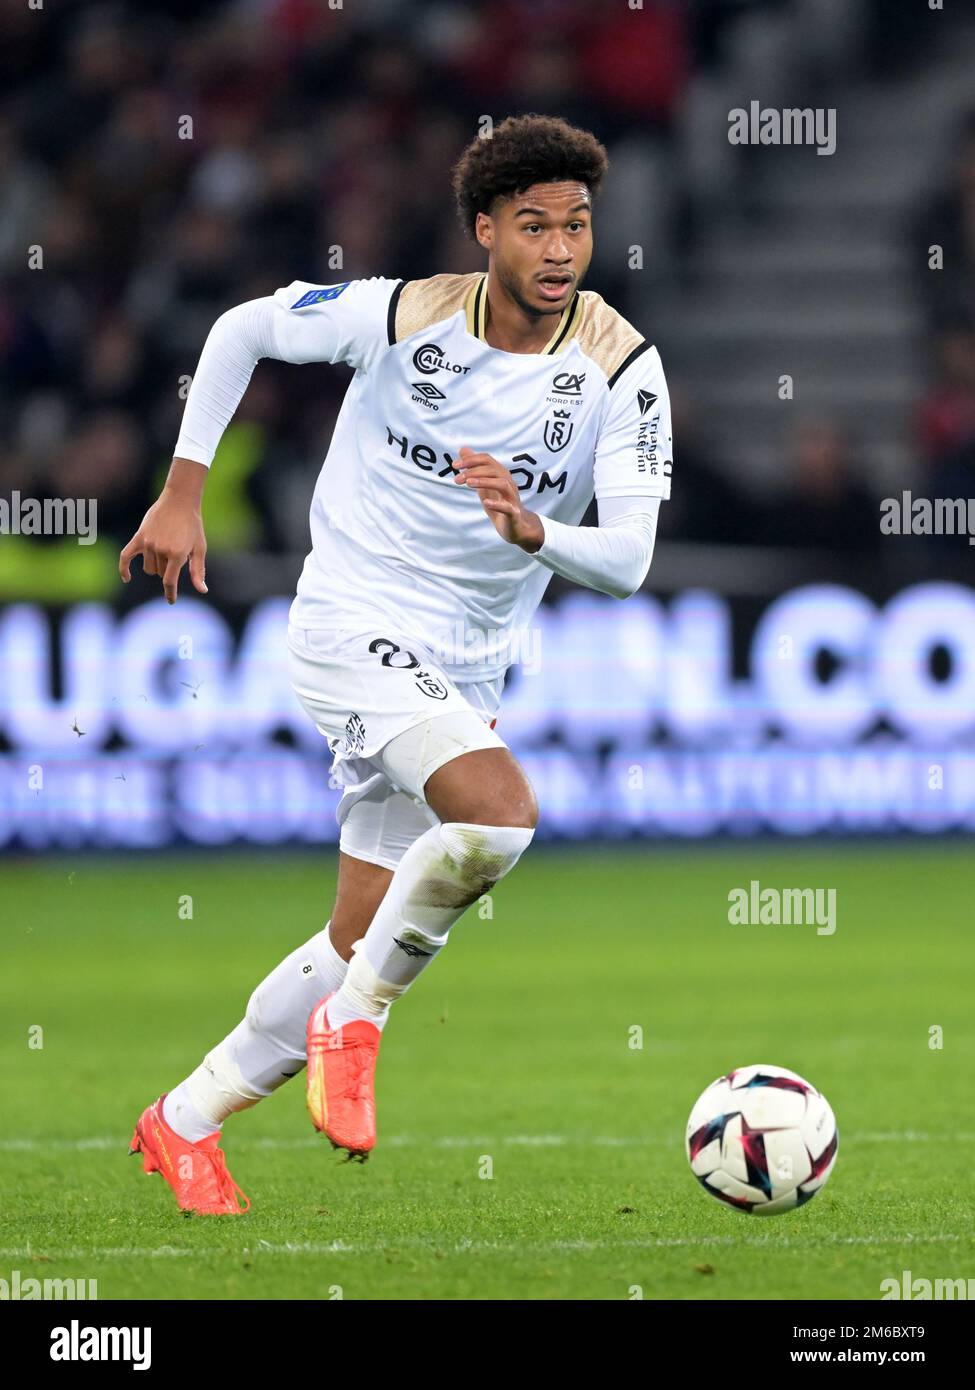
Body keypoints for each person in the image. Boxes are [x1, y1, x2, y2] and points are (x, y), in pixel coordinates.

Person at [119, 114, 675, 1214]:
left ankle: (181, 1121)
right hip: (351, 621)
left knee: (351, 933)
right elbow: (240, 329)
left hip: (467, 669)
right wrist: (182, 489)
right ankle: (359, 1020)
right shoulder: (402, 313)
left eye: (577, 225)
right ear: (486, 231)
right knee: (502, 814)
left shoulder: (621, 365)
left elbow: (629, 560)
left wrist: (537, 536)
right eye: (534, 227)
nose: (561, 249)